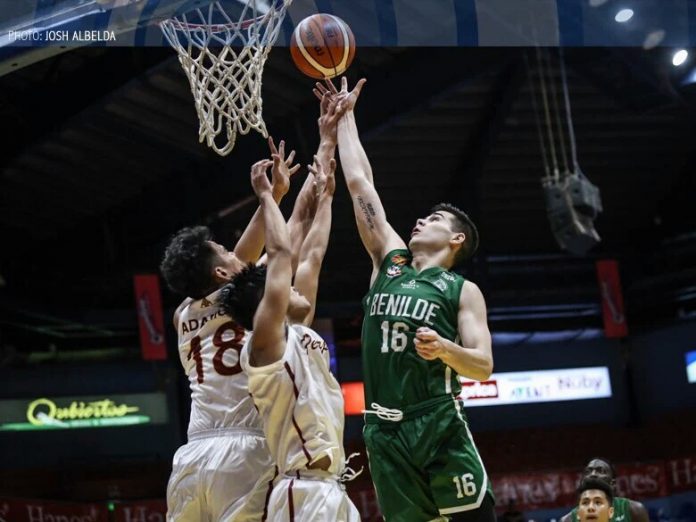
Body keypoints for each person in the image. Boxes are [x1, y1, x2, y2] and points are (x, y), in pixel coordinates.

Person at [318, 76, 495, 521]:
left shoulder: (462, 291)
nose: (419, 220)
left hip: (436, 420)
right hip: (383, 429)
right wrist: (346, 118)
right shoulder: (388, 262)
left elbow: (483, 365)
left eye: (433, 218)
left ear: (456, 239)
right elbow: (361, 185)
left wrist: (446, 348)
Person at [160, 133, 330, 521]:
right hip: (245, 448)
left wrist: (273, 197)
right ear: (220, 271)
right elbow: (283, 243)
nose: (234, 251)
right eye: (223, 250)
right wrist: (279, 195)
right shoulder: (247, 298)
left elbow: (237, 258)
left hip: (193, 453)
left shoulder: (182, 316)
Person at [219, 154, 360, 521]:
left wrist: (326, 198)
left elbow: (312, 256)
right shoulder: (265, 346)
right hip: (303, 488)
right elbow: (282, 253)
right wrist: (267, 196)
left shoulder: (300, 333)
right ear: (271, 300)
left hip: (332, 488)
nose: (295, 287)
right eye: (285, 287)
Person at [561, 458, 649, 522]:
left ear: (613, 483)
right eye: (588, 471)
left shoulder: (634, 510)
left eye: (601, 471)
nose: (593, 474)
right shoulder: (568, 520)